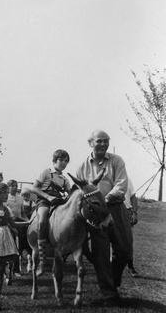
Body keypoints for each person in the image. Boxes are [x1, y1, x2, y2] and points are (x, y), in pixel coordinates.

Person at [76, 130, 133, 306]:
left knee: (124, 251)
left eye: (106, 141)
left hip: (116, 209)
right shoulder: (82, 168)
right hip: (95, 216)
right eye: (99, 141)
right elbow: (80, 193)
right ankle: (109, 294)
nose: (102, 144)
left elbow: (121, 186)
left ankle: (113, 282)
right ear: (90, 143)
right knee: (101, 255)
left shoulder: (117, 161)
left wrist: (103, 201)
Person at [0, 182, 30, 311]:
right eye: (4, 193)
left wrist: (27, 223)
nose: (7, 195)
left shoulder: (6, 209)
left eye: (7, 193)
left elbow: (13, 224)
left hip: (4, 242)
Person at [31, 149, 71, 276]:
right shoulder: (46, 172)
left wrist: (67, 198)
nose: (63, 163)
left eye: (66, 161)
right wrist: (48, 197)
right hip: (44, 201)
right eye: (61, 160)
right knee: (42, 220)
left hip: (58, 202)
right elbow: (34, 188)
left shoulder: (65, 179)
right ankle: (42, 259)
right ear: (54, 161)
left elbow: (70, 193)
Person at [5, 179, 29, 276]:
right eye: (12, 186)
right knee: (11, 246)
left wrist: (28, 221)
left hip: (20, 224)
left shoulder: (20, 198)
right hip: (9, 224)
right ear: (8, 187)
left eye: (16, 186)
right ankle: (7, 269)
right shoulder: (5, 199)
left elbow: (22, 213)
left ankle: (16, 270)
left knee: (19, 246)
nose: (15, 187)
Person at [124, 178, 139, 277]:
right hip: (111, 211)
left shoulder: (127, 179)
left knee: (128, 240)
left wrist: (134, 213)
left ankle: (130, 266)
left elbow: (133, 196)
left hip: (126, 212)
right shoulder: (106, 180)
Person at [20, 187, 36, 272]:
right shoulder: (21, 202)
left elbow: (33, 212)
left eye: (27, 195)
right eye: (24, 195)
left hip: (30, 222)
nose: (26, 197)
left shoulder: (32, 203)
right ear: (22, 195)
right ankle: (20, 263)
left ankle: (30, 263)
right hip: (22, 222)